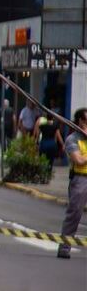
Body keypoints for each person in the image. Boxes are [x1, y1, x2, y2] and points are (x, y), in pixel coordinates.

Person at [58, 108, 87, 259]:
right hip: (81, 179)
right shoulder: (72, 139)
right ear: (81, 122)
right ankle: (64, 247)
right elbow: (79, 160)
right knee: (75, 213)